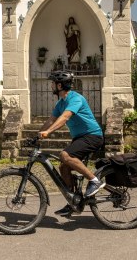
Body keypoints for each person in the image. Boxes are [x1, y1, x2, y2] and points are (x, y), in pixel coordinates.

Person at [39, 71, 105, 217]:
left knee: (65, 155)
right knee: (63, 167)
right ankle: (73, 203)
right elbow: (51, 120)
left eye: (52, 83)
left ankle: (95, 181)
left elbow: (65, 117)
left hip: (92, 135)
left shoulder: (76, 98)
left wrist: (49, 132)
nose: (51, 86)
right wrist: (38, 135)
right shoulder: (60, 103)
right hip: (80, 137)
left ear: (60, 85)